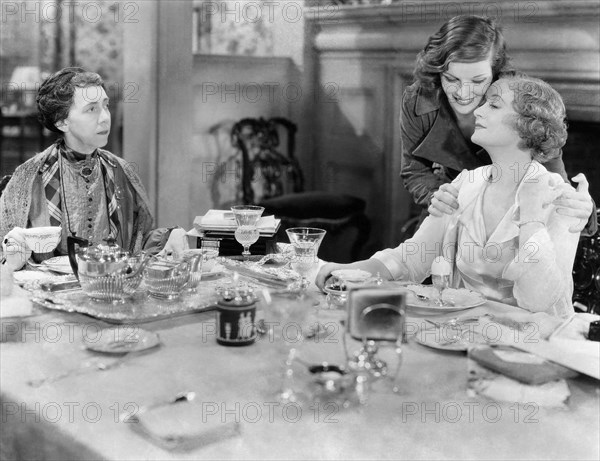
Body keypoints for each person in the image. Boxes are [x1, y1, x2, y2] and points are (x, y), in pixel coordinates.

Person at [317, 72, 580, 317]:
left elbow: (538, 301)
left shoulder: (561, 198)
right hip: (461, 335)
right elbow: (411, 260)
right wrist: (347, 271)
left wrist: (532, 216)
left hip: (534, 350)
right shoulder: (467, 183)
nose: (478, 110)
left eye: (494, 105)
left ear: (528, 126)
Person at [401, 15, 595, 235]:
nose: (464, 94)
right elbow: (413, 168)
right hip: (452, 207)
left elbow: (556, 183)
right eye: (451, 79)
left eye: (477, 81)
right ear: (438, 72)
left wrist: (580, 211)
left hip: (511, 215)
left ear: (494, 72)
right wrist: (435, 195)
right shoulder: (418, 100)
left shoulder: (521, 97)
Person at [0, 67, 187, 270]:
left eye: (105, 106)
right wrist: (12, 257)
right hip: (47, 296)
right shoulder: (29, 177)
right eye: (91, 109)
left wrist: (171, 236)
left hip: (110, 293)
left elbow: (138, 244)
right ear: (62, 121)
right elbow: (5, 250)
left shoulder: (121, 171)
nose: (105, 117)